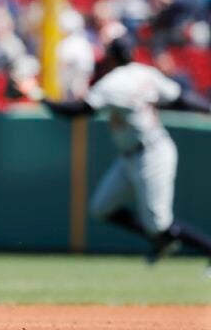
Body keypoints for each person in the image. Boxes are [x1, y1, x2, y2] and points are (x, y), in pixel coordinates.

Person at [17, 37, 211, 272]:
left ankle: (194, 246)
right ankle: (160, 239)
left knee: (161, 224)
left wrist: (39, 95)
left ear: (110, 57)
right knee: (102, 208)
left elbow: (77, 111)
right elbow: (182, 98)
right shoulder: (145, 72)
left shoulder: (113, 82)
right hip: (132, 155)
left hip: (152, 154)